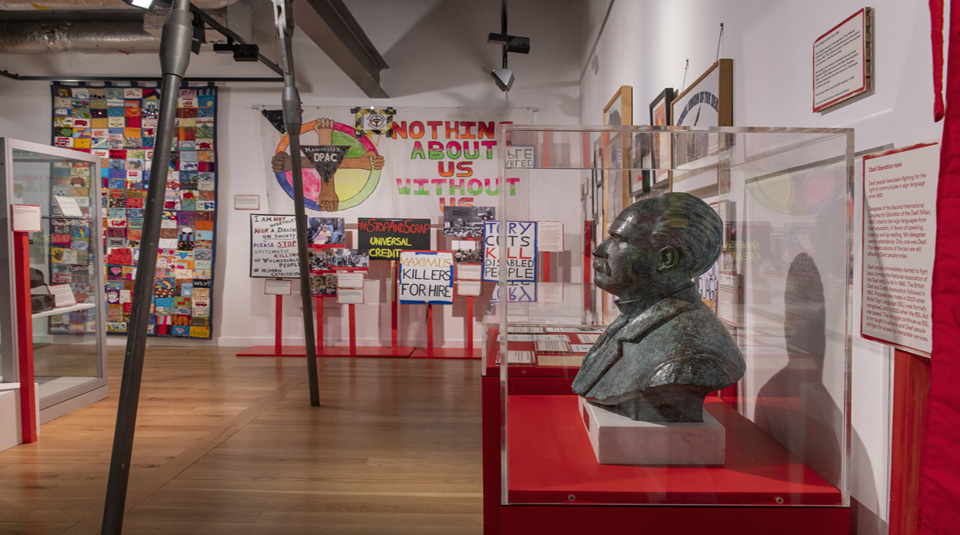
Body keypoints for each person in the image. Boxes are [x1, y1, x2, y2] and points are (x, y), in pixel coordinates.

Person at [571, 192, 745, 423]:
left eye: (618, 239)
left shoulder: (690, 358)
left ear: (666, 260)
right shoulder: (633, 318)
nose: (599, 250)